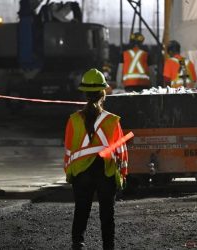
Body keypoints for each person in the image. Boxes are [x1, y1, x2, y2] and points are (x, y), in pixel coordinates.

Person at [63, 68, 129, 250]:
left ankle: (78, 244)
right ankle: (109, 246)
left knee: (81, 210)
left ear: (85, 94)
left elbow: (68, 149)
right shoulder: (113, 121)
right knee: (107, 214)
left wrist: (69, 173)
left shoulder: (74, 120)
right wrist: (122, 176)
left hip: (81, 173)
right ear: (103, 93)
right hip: (105, 172)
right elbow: (121, 152)